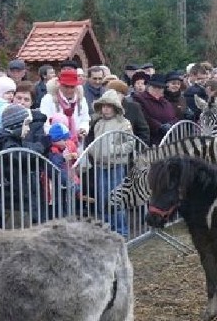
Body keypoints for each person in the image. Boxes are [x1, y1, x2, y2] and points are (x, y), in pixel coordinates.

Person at [87, 89, 134, 237]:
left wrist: (115, 149)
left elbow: (131, 143)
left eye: (109, 106)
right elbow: (94, 141)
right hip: (100, 166)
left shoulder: (124, 124)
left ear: (115, 108)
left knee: (116, 199)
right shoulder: (98, 124)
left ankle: (121, 231)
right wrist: (94, 152)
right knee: (102, 199)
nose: (105, 109)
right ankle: (107, 229)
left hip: (116, 166)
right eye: (103, 106)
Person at [40, 68, 90, 157]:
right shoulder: (49, 99)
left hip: (76, 145)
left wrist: (83, 130)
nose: (69, 90)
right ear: (60, 84)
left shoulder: (81, 100)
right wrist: (56, 139)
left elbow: (85, 119)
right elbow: (45, 122)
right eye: (66, 86)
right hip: (55, 147)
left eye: (72, 87)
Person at [134, 74, 178, 145]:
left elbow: (174, 116)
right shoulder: (140, 99)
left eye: (161, 88)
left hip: (168, 139)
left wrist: (171, 125)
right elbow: (144, 116)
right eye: (155, 87)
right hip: (151, 139)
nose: (158, 90)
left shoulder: (166, 102)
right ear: (149, 87)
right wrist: (159, 126)